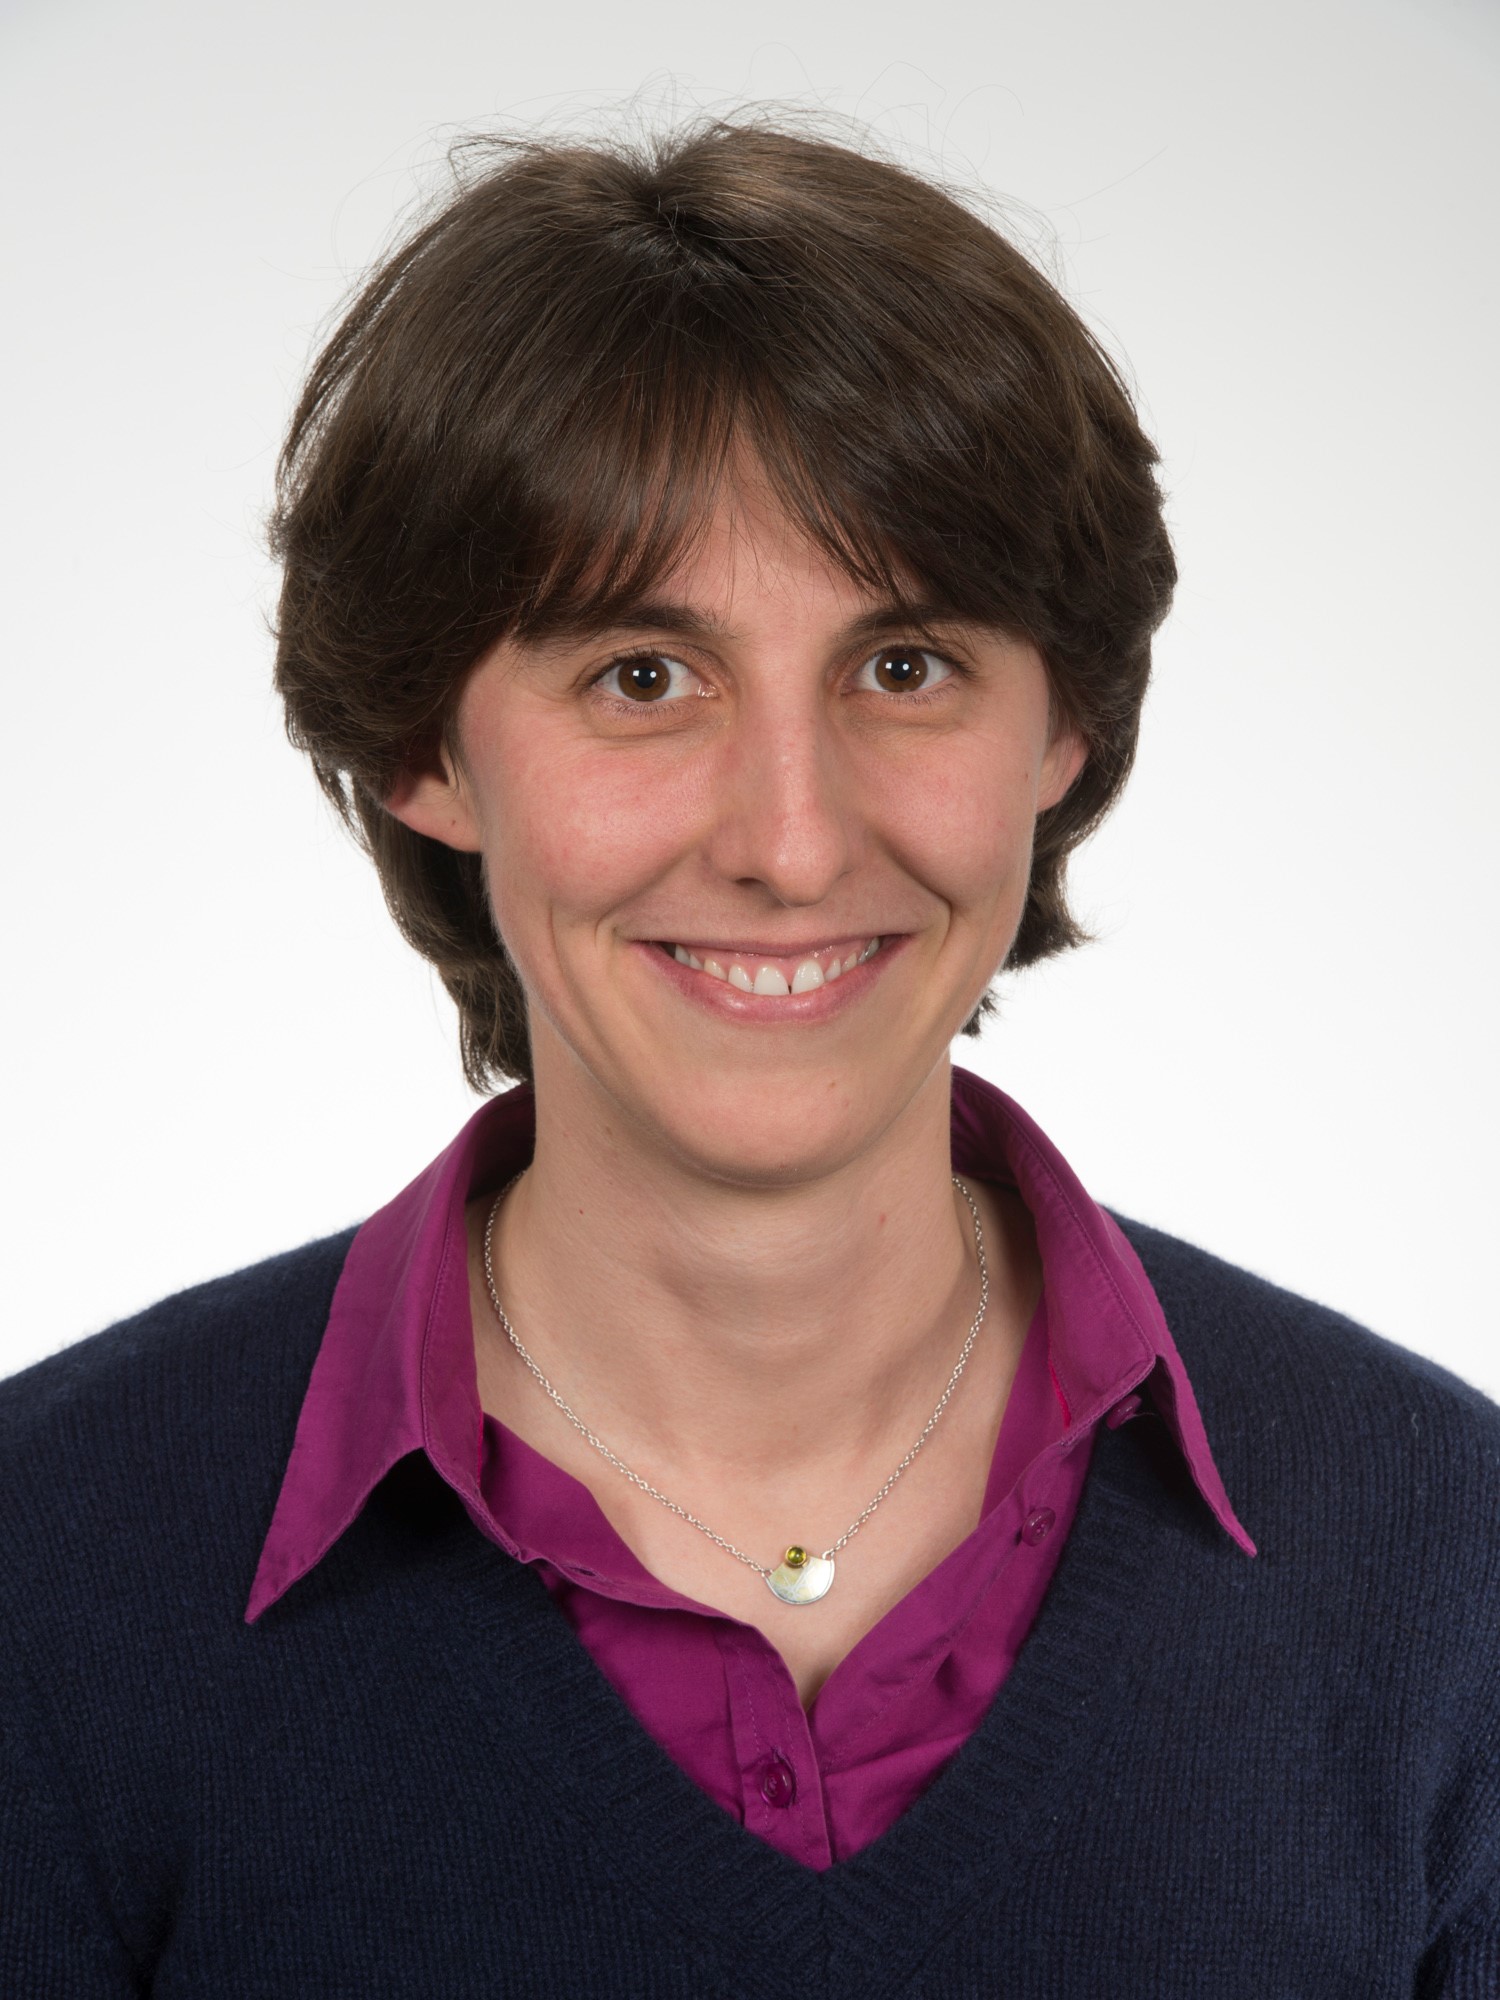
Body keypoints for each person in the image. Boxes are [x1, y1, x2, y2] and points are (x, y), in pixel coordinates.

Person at [2, 116, 1497, 1998]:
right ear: (423, 750)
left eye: (904, 667)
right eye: (643, 677)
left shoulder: (1450, 1566)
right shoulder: (48, 1577)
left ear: (1064, 731)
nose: (791, 843)